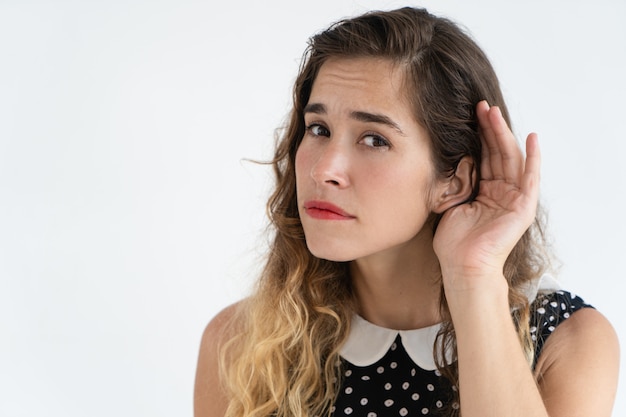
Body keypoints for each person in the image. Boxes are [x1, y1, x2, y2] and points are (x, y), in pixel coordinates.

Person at [194, 7, 619, 417]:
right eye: (319, 129)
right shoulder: (240, 343)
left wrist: (474, 278)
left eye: (374, 140)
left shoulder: (566, 340)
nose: (324, 170)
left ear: (452, 181)